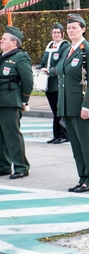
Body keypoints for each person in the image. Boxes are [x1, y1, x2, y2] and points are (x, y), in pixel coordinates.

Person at [54, 14, 89, 192]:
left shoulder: (88, 50)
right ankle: (82, 177)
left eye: (74, 27)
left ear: (83, 29)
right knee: (76, 145)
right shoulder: (68, 50)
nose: (71, 30)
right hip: (68, 105)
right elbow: (61, 73)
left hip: (81, 105)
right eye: (69, 28)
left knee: (86, 144)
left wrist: (87, 105)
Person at [0, 26, 33, 179]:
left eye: (4, 38)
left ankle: (21, 167)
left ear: (14, 42)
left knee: (13, 135)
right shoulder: (2, 56)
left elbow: (27, 80)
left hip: (10, 101)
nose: (1, 40)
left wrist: (24, 100)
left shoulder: (20, 57)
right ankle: (4, 166)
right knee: (1, 136)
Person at [37, 23, 70, 144]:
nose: (55, 35)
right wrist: (38, 68)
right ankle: (56, 134)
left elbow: (63, 63)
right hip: (48, 84)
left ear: (62, 34)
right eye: (54, 32)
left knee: (60, 110)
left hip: (58, 83)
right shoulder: (50, 46)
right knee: (54, 111)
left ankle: (64, 134)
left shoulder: (65, 46)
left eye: (58, 32)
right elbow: (43, 62)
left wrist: (50, 71)